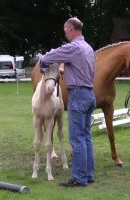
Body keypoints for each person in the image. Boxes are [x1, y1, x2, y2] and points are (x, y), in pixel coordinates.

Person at [40, 17, 96, 187]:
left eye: (65, 32)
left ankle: (79, 179)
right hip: (89, 94)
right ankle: (88, 174)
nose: (65, 35)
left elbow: (50, 56)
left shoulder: (73, 47)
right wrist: (66, 70)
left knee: (76, 138)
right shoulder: (88, 48)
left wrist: (42, 60)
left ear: (71, 29)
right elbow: (82, 69)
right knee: (86, 137)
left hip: (77, 95)